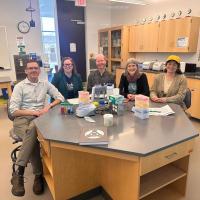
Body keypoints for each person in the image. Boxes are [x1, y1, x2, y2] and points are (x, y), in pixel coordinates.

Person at [9, 60, 64, 197]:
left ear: (39, 70)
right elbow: (14, 111)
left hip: (40, 119)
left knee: (33, 131)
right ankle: (38, 176)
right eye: (30, 68)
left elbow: (59, 97)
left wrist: (48, 107)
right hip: (22, 120)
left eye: (36, 68)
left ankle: (19, 172)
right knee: (33, 134)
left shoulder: (45, 84)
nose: (33, 70)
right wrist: (33, 113)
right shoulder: (19, 87)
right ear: (26, 71)